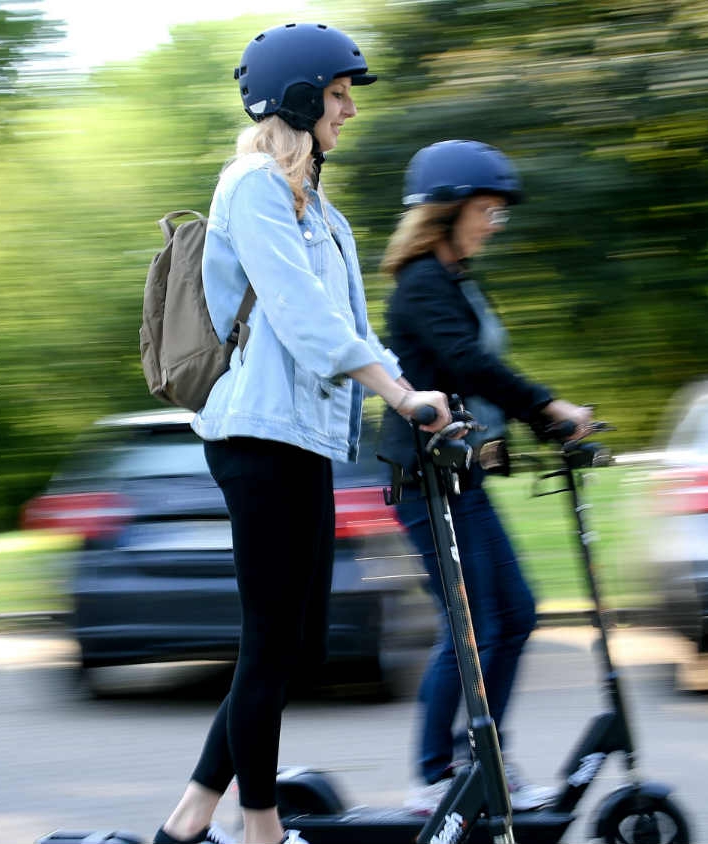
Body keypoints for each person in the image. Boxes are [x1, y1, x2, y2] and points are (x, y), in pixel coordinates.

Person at [155, 24, 450, 844]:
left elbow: (353, 327)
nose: (349, 109)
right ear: (295, 98)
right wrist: (399, 393)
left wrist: (417, 397)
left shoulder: (322, 212)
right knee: (270, 642)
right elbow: (301, 318)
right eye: (338, 94)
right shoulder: (250, 187)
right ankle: (261, 826)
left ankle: (188, 817)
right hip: (256, 438)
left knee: (298, 644)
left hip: (304, 439)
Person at [375, 140, 594, 816]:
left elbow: (477, 375)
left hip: (462, 476)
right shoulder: (422, 283)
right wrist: (548, 406)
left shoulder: (457, 278)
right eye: (486, 210)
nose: (494, 223)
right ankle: (433, 777)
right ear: (446, 210)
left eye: (500, 212)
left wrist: (544, 426)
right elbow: (468, 363)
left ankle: (484, 760)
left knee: (516, 614)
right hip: (428, 480)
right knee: (471, 628)